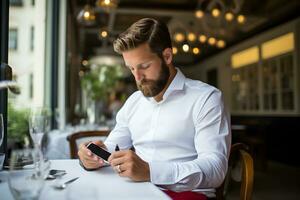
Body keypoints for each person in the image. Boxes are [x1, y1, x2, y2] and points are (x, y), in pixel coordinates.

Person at [78, 18, 231, 200]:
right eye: (131, 68)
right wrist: (93, 157)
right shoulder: (134, 102)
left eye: (144, 66)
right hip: (137, 192)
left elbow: (215, 169)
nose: (138, 77)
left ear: (167, 56)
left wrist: (151, 171)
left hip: (188, 195)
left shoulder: (206, 98)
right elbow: (112, 148)